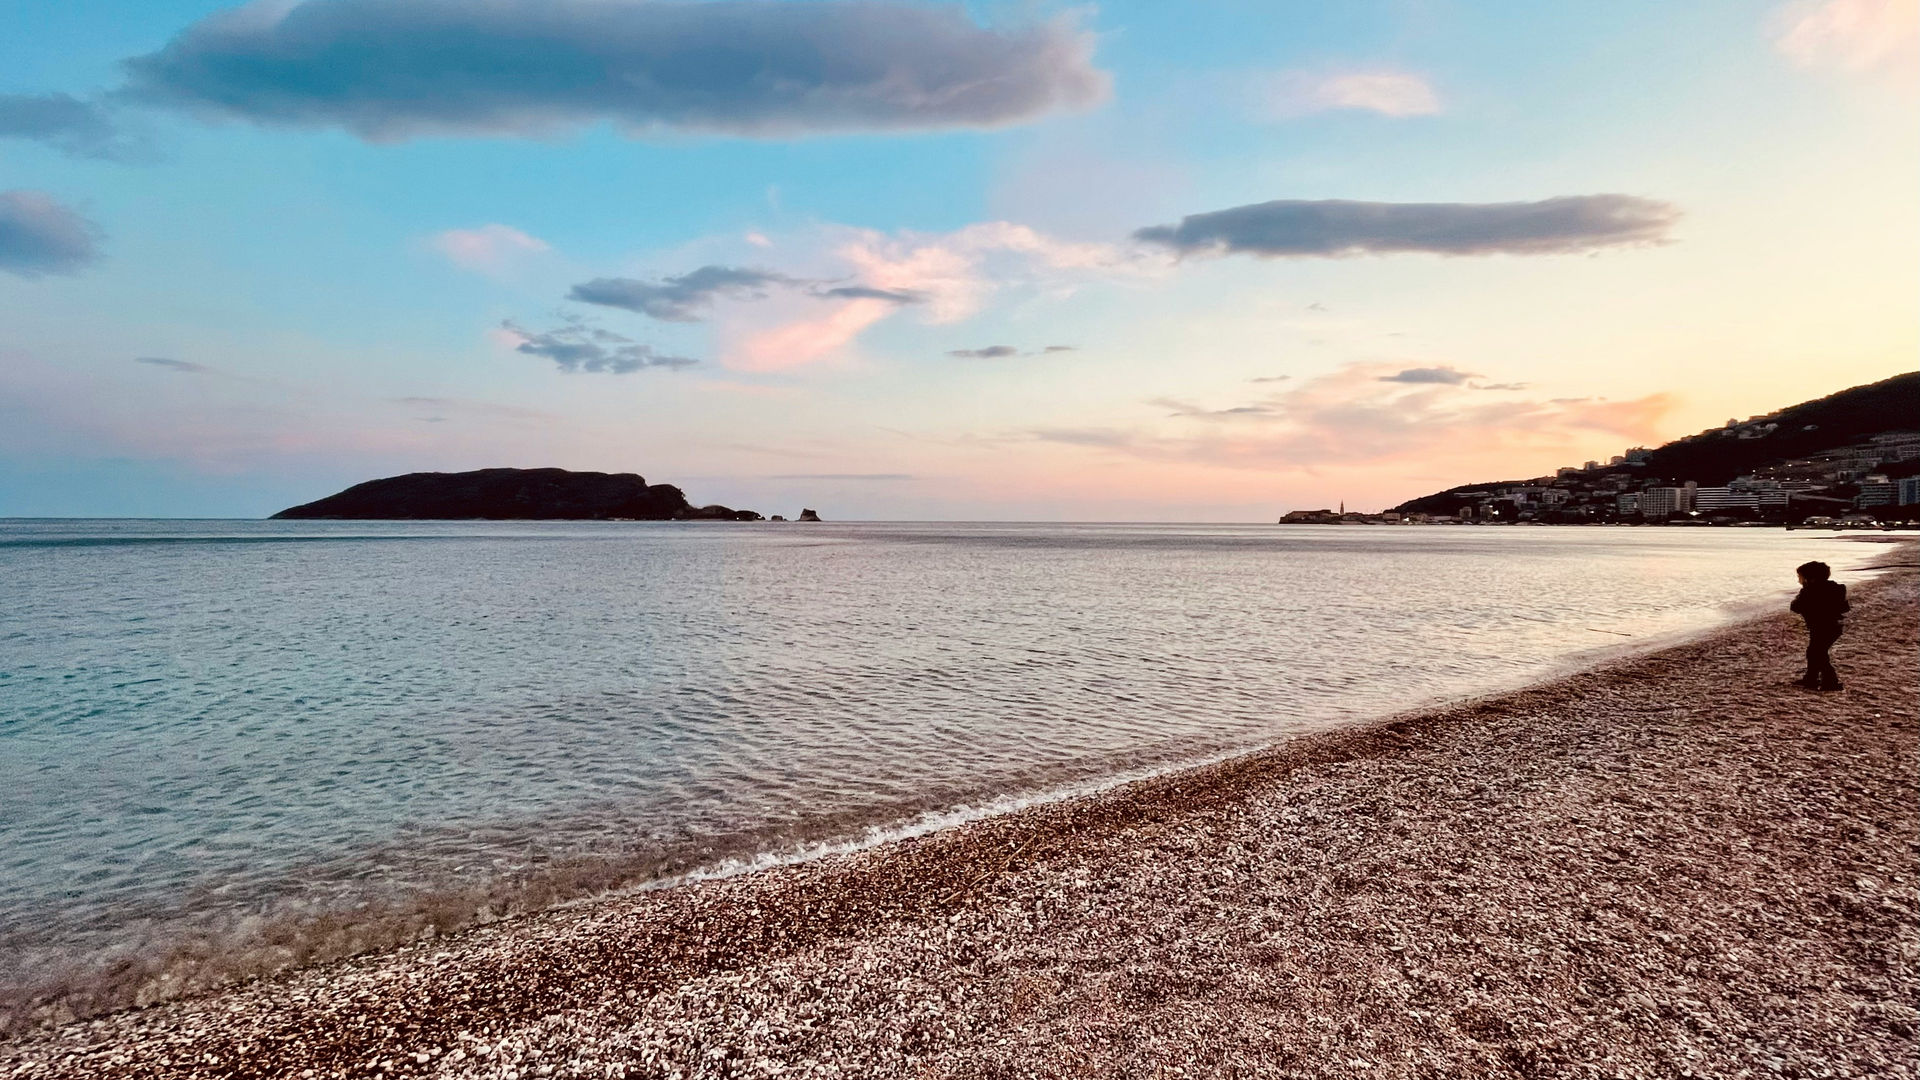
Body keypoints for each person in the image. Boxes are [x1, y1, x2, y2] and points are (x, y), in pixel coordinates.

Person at [1789, 560, 1849, 691]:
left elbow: (1795, 607)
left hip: (1822, 626)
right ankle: (1811, 678)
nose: (1799, 580)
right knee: (1815, 652)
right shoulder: (1834, 589)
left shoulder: (1810, 591)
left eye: (1800, 577)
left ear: (1810, 579)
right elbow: (1844, 607)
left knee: (1817, 653)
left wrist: (1802, 597)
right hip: (1833, 626)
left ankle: (1830, 680)